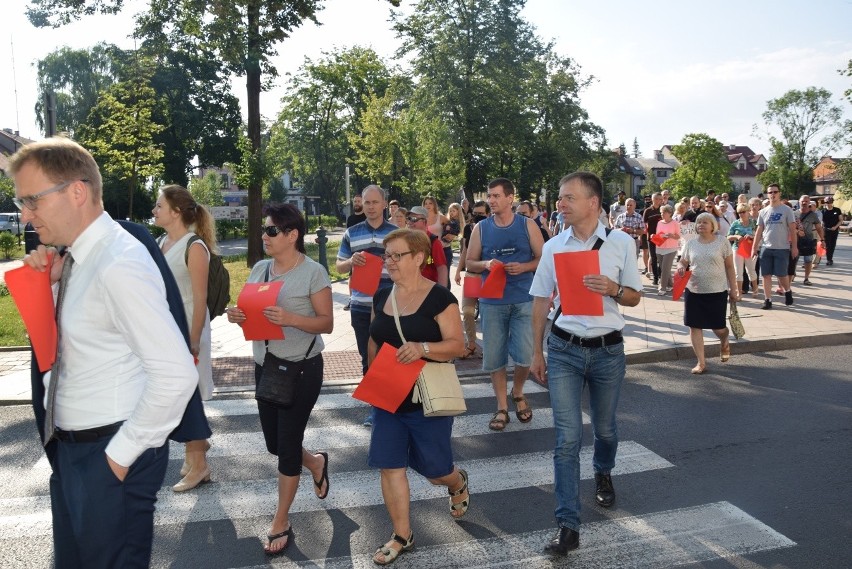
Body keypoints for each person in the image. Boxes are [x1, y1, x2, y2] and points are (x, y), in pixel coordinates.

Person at [11, 136, 197, 567]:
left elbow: (176, 375)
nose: (26, 215)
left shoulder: (118, 261)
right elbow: (76, 348)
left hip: (108, 455)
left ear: (77, 192)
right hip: (75, 451)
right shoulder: (77, 257)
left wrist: (115, 460)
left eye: (33, 200)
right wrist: (50, 285)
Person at [529, 171, 642, 555]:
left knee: (606, 429)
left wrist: (613, 289)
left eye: (568, 198)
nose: (561, 203)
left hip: (609, 351)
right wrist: (536, 351)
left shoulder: (622, 243)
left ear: (592, 203)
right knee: (567, 439)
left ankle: (603, 471)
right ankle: (567, 525)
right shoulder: (554, 246)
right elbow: (541, 298)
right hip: (564, 350)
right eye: (561, 198)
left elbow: (634, 298)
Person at [225, 203, 333, 555]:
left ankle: (281, 520)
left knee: (286, 447)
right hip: (265, 366)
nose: (265, 236)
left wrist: (291, 318)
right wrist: (237, 315)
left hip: (301, 369)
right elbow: (252, 312)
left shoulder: (313, 272)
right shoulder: (260, 268)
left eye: (272, 231)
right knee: (274, 443)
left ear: (292, 235)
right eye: (264, 230)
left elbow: (326, 323)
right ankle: (315, 462)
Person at [367, 228, 467, 565]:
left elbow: (457, 345)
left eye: (397, 255)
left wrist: (423, 348)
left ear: (419, 258)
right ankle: (401, 535)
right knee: (389, 466)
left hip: (428, 397)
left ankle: (455, 481)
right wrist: (370, 377)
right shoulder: (381, 297)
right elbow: (374, 339)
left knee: (435, 470)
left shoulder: (440, 299)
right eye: (387, 255)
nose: (390, 261)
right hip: (388, 394)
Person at [465, 178, 543, 431]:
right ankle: (501, 407)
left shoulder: (527, 225)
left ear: (510, 198)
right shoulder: (481, 228)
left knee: (524, 356)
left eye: (497, 196)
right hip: (492, 301)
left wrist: (525, 266)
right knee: (495, 357)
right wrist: (487, 264)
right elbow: (470, 263)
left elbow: (543, 259)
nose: (492, 200)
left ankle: (517, 391)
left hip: (523, 298)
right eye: (490, 196)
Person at [152, 184, 216, 492]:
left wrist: (192, 340)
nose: (154, 210)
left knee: (187, 395)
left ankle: (198, 462)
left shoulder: (194, 247)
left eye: (159, 206)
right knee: (180, 394)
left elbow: (200, 298)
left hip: (189, 329)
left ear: (176, 212)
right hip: (167, 329)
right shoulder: (162, 241)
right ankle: (197, 454)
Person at [336, 186, 397, 375]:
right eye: (367, 202)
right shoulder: (351, 233)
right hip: (360, 306)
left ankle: (389, 401)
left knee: (390, 357)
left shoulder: (396, 233)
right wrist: (351, 261)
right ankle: (374, 402)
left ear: (384, 204)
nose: (371, 207)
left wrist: (392, 260)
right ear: (362, 204)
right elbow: (339, 266)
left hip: (390, 305)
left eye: (375, 202)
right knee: (367, 359)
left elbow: (408, 267)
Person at [677, 212, 739, 374]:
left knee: (718, 328)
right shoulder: (690, 244)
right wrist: (681, 266)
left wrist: (734, 289)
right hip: (694, 291)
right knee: (694, 326)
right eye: (699, 222)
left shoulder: (722, 242)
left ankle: (724, 339)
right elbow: (683, 260)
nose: (701, 225)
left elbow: (730, 267)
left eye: (705, 222)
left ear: (713, 226)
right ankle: (701, 363)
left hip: (717, 291)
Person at [752, 184, 798, 309]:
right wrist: (754, 247)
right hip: (766, 247)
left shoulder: (786, 210)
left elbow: (793, 230)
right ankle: (768, 300)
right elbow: (759, 231)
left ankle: (787, 291)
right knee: (765, 275)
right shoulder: (763, 212)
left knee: (781, 274)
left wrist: (794, 247)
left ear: (779, 193)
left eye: (775, 192)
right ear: (767, 194)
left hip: (782, 248)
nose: (773, 194)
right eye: (770, 192)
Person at [454, 200, 489, 359]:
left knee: (489, 313)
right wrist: (458, 271)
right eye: (475, 213)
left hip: (488, 276)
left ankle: (489, 347)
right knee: (467, 311)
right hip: (472, 274)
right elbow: (465, 250)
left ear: (488, 214)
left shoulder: (494, 227)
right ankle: (472, 344)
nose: (478, 217)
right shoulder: (469, 228)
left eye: (481, 214)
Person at [405, 206, 449, 286]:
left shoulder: (433, 242)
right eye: (408, 218)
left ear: (425, 222)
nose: (410, 222)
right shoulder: (405, 240)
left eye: (414, 219)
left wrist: (442, 294)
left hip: (428, 290)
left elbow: (442, 268)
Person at [728, 204, 758, 297]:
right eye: (739, 212)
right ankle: (739, 292)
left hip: (750, 249)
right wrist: (736, 236)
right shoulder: (735, 223)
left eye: (743, 212)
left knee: (751, 270)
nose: (741, 214)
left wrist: (752, 237)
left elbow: (760, 235)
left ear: (748, 211)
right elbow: (728, 236)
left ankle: (755, 289)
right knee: (738, 272)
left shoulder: (754, 223)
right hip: (737, 249)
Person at [797, 195, 824, 285]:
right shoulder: (793, 213)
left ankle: (806, 278)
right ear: (799, 202)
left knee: (808, 260)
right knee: (793, 260)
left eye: (806, 201)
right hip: (795, 240)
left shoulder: (813, 215)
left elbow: (819, 228)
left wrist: (822, 240)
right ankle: (792, 274)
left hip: (808, 240)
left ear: (809, 203)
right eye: (802, 201)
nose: (804, 203)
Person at [654, 205, 680, 295]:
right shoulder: (659, 223)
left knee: (665, 268)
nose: (662, 214)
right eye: (661, 212)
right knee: (664, 268)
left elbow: (678, 236)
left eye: (664, 212)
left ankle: (663, 287)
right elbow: (658, 234)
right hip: (660, 247)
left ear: (670, 213)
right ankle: (670, 285)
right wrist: (654, 236)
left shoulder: (675, 223)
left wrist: (671, 235)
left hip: (671, 248)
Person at [441, 202, 464, 287]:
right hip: (443, 243)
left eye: (453, 211)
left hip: (445, 244)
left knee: (445, 275)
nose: (451, 213)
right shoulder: (450, 221)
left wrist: (448, 229)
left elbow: (452, 234)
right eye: (450, 211)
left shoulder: (456, 223)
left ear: (458, 212)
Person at [642, 192, 663, 285]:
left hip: (662, 237)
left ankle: (660, 275)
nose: (658, 201)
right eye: (656, 199)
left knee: (661, 258)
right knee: (653, 257)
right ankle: (655, 277)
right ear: (652, 199)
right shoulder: (648, 211)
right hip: (651, 237)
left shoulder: (663, 210)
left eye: (660, 199)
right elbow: (643, 224)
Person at [821, 196, 843, 265]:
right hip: (826, 230)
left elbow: (841, 220)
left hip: (834, 230)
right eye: (826, 202)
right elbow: (820, 221)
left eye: (829, 202)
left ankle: (830, 259)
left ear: (832, 202)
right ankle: (829, 259)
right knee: (828, 245)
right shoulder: (823, 211)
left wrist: (836, 227)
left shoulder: (837, 210)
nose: (828, 203)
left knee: (832, 245)